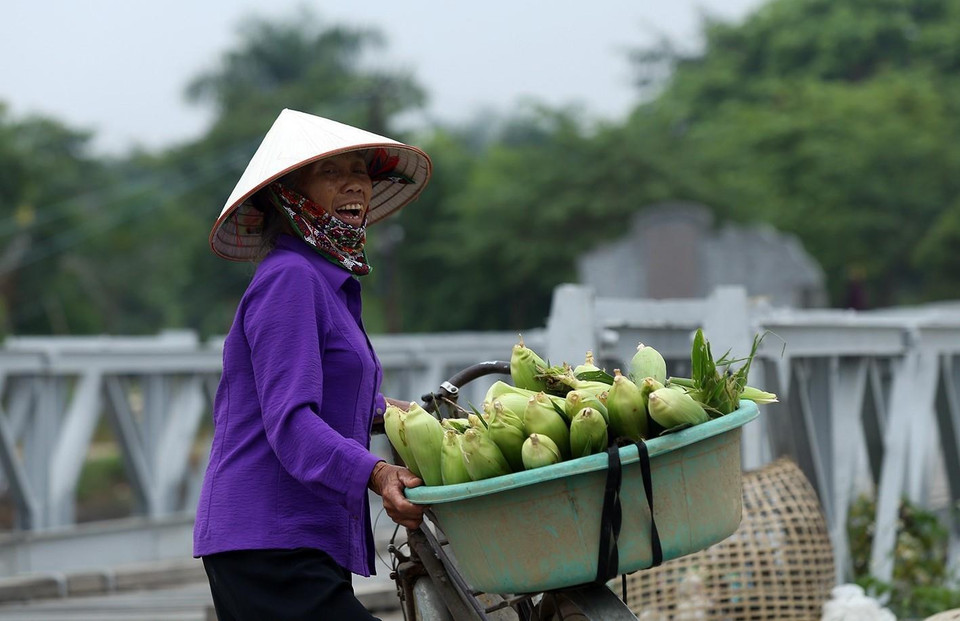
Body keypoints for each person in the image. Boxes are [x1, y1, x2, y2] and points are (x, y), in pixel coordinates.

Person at [194, 109, 432, 620]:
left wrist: (407, 416)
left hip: (308, 537)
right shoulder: (290, 279)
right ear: (288, 194)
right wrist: (379, 473)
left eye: (361, 171)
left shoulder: (329, 282)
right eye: (332, 172)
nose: (355, 184)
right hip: (268, 544)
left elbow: (341, 400)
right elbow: (293, 421)